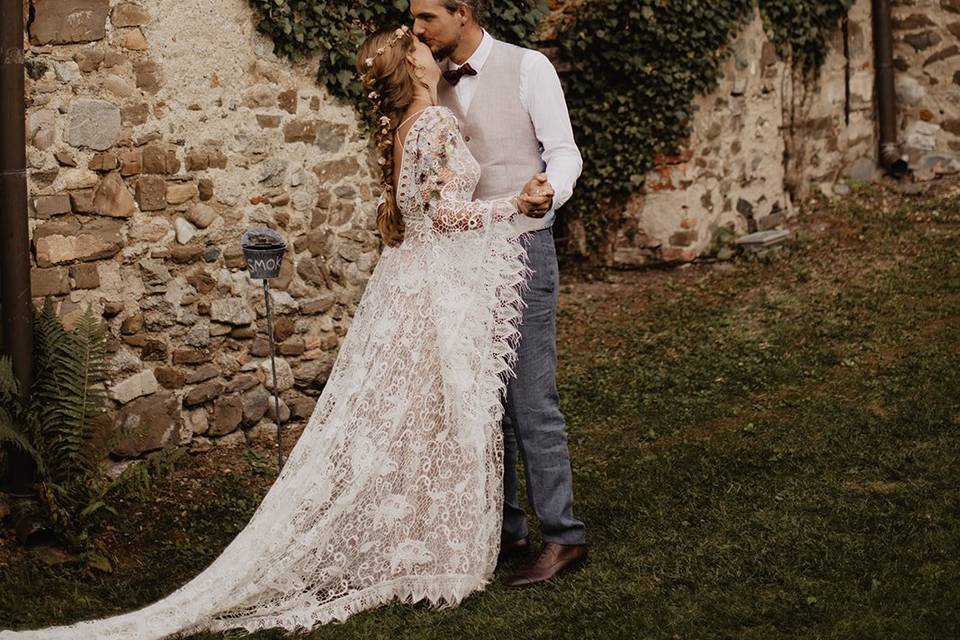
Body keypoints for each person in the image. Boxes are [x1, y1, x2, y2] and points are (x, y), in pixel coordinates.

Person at [0, 25, 550, 640]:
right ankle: (443, 551)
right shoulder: (437, 124)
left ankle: (421, 538)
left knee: (417, 415)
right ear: (415, 69)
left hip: (409, 282)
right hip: (435, 284)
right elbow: (446, 215)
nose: (427, 45)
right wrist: (513, 207)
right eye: (418, 45)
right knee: (440, 413)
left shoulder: (403, 127)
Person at [411, 0, 587, 587]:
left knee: (530, 398)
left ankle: (562, 536)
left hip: (522, 248)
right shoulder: (427, 81)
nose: (416, 29)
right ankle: (505, 526)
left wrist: (550, 190)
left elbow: (564, 150)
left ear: (462, 13)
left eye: (426, 17)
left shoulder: (528, 67)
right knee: (479, 396)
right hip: (459, 257)